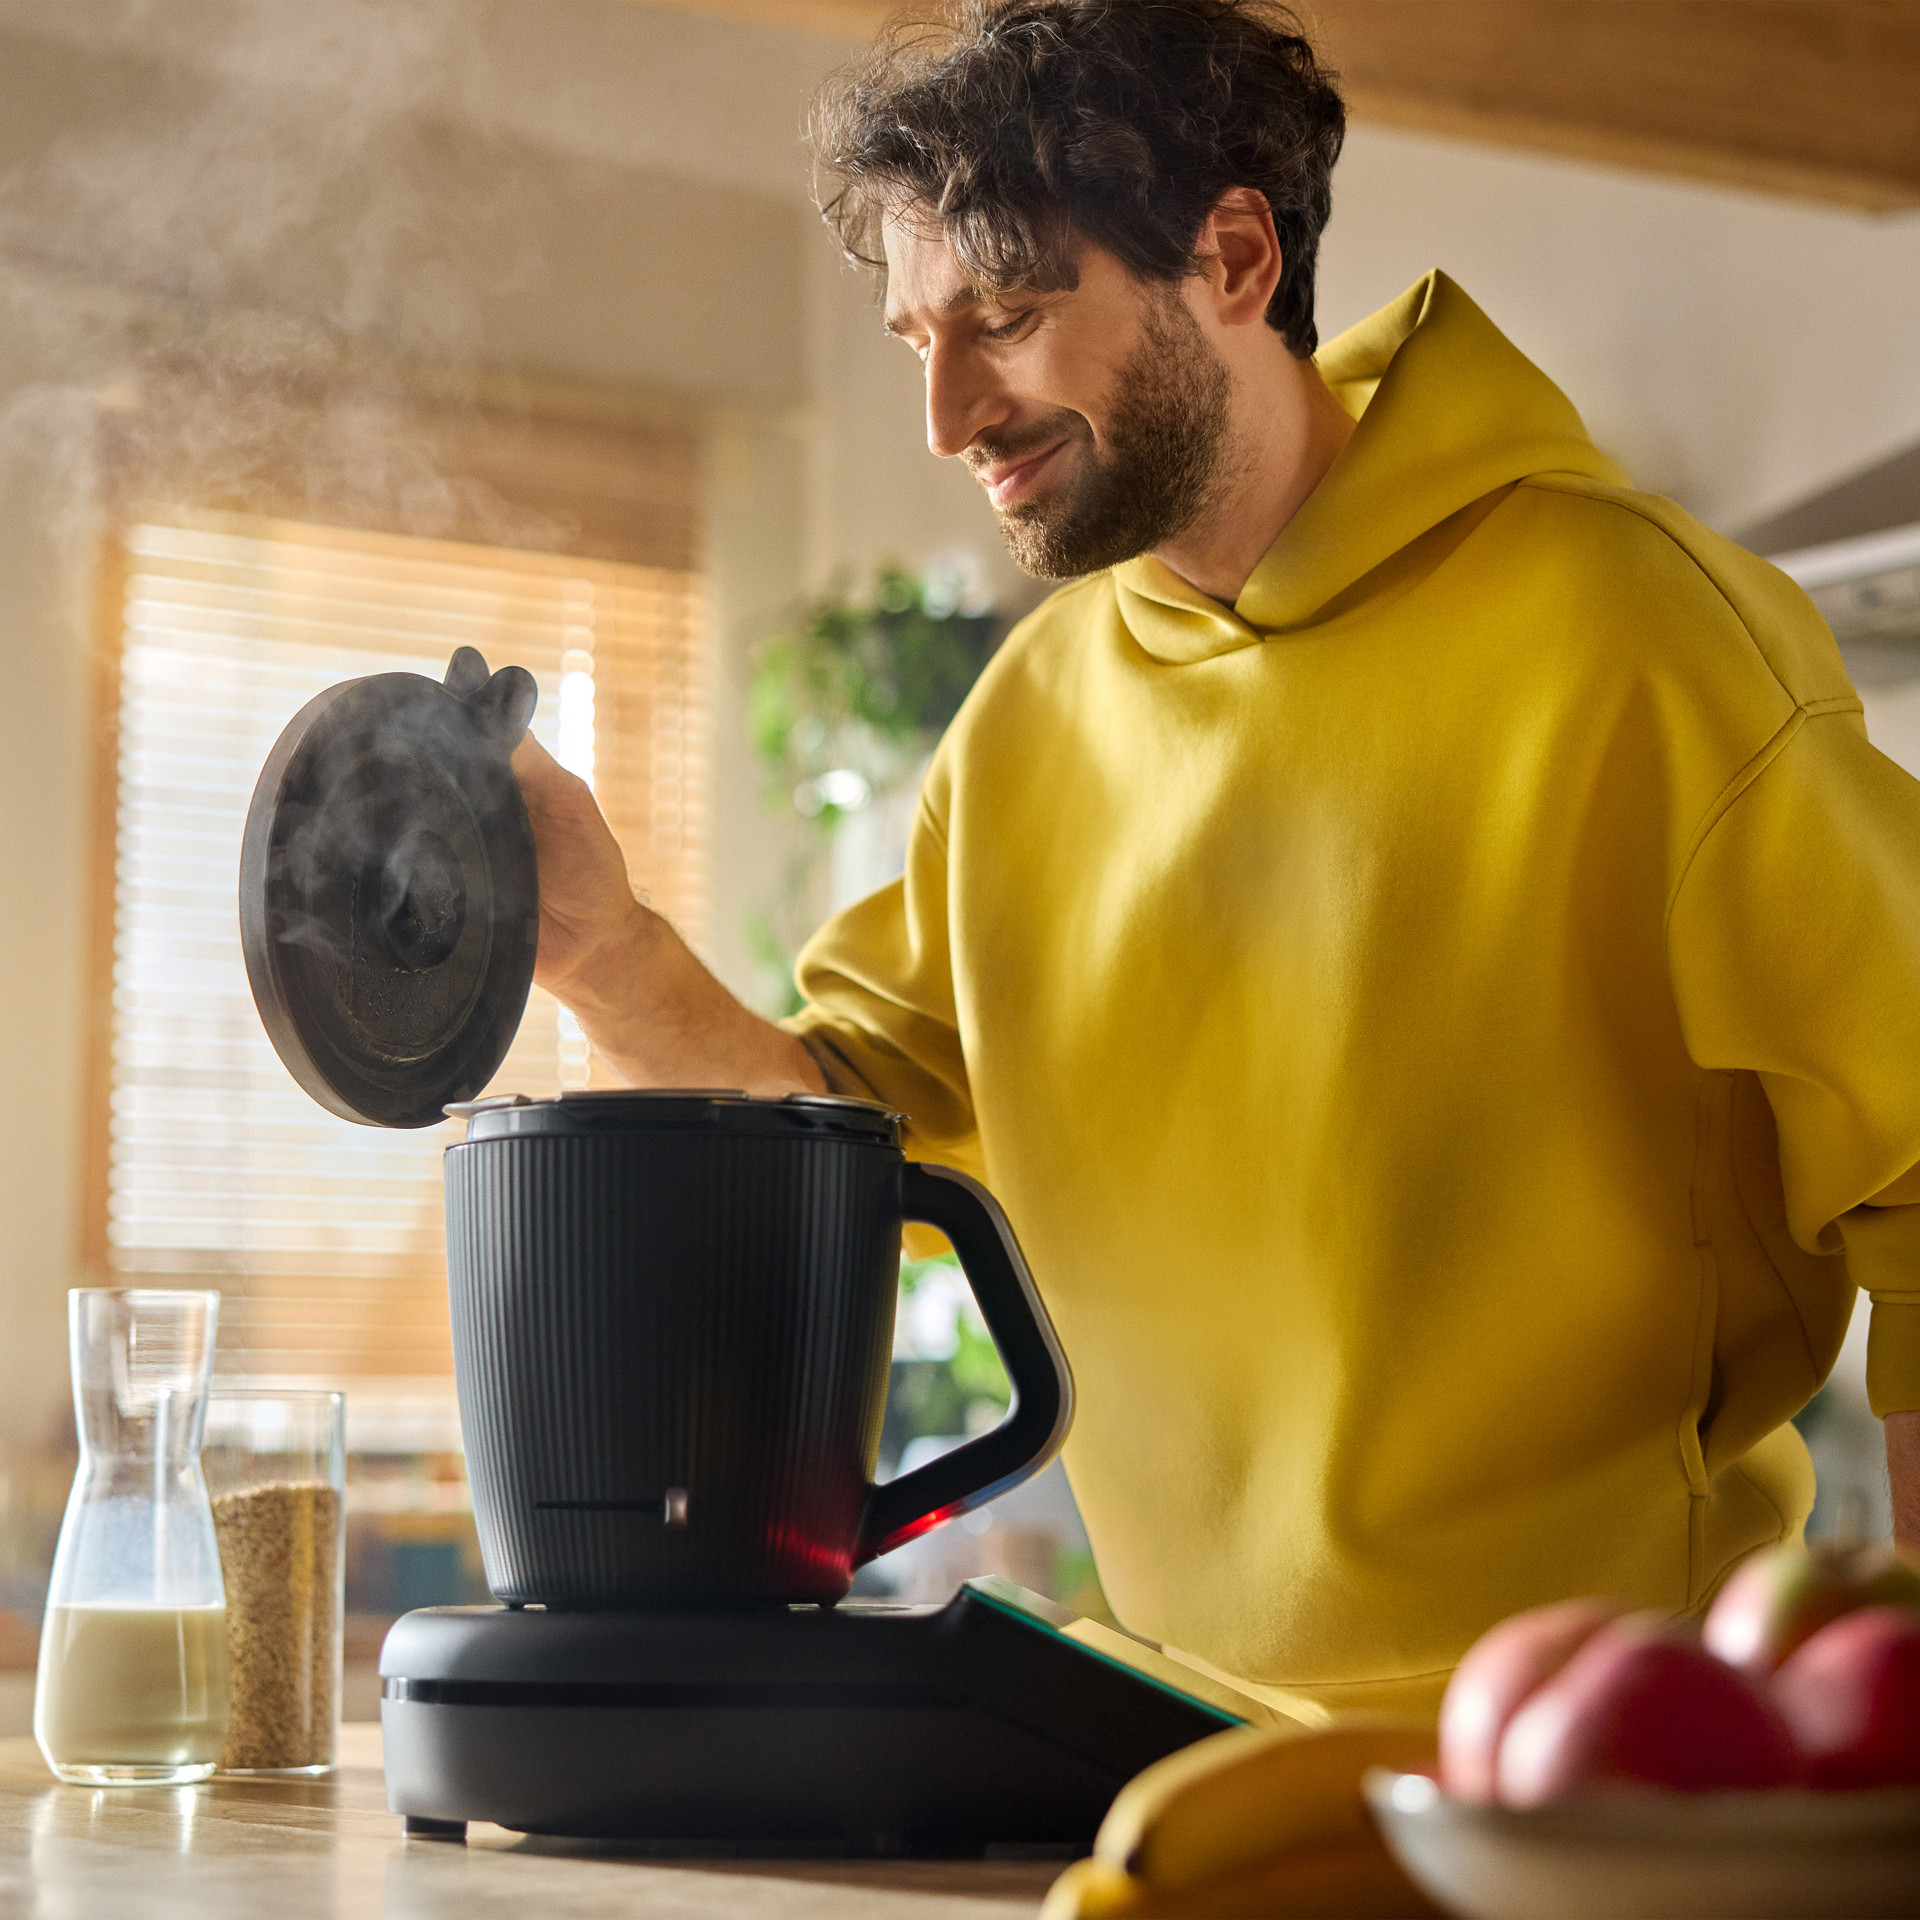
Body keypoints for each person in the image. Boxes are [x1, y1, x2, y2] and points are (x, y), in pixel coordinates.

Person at [512, 0, 1920, 1721]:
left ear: (1235, 257)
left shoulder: (1645, 639)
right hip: (1179, 1737)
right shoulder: (1027, 718)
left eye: (1008, 318)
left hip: (1618, 1756)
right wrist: (597, 950)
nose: (949, 411)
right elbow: (834, 1129)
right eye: (913, 338)